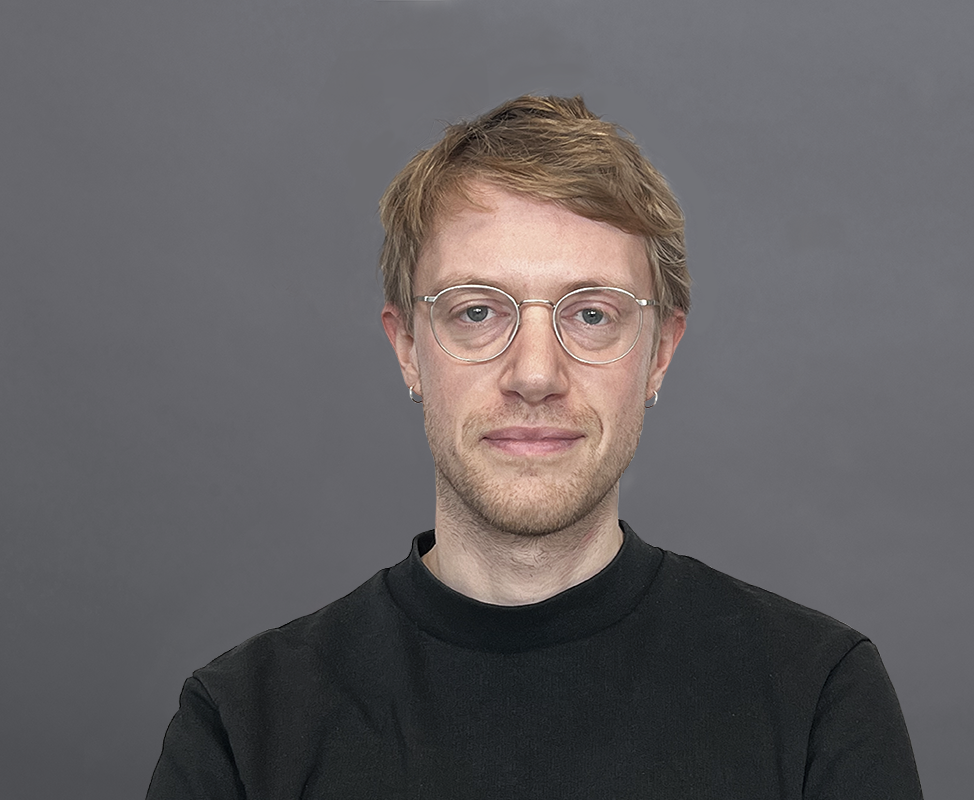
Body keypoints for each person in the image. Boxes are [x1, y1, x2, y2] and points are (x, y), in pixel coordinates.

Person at [147, 95, 923, 799]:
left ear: (659, 352)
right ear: (408, 347)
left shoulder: (817, 695)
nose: (535, 375)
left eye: (592, 315)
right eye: (477, 311)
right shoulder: (243, 728)